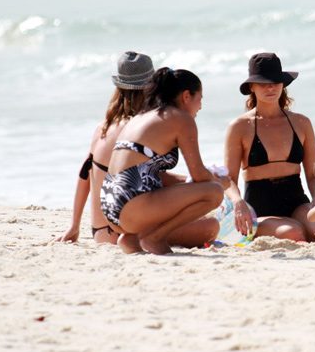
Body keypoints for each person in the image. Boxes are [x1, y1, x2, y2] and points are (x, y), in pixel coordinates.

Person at [55, 52, 219, 250]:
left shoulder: (103, 127)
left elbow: (85, 173)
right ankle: (148, 237)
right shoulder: (144, 125)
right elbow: (152, 180)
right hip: (123, 227)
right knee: (211, 225)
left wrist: (74, 226)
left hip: (100, 229)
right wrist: (199, 182)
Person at [101, 67, 226, 255]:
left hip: (111, 205)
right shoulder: (181, 119)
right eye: (199, 99)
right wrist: (220, 182)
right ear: (186, 96)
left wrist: (188, 182)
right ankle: (154, 237)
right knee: (214, 192)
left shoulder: (144, 115)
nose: (200, 106)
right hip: (131, 205)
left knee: (198, 187)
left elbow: (148, 173)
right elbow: (199, 174)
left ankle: (132, 236)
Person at [224, 53, 315, 242]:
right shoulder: (239, 126)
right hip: (259, 206)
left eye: (275, 82)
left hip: (297, 202)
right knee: (293, 233)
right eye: (263, 83)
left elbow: (313, 174)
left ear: (282, 84)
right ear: (251, 86)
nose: (270, 87)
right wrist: (238, 202)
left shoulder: (301, 122)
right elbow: (228, 179)